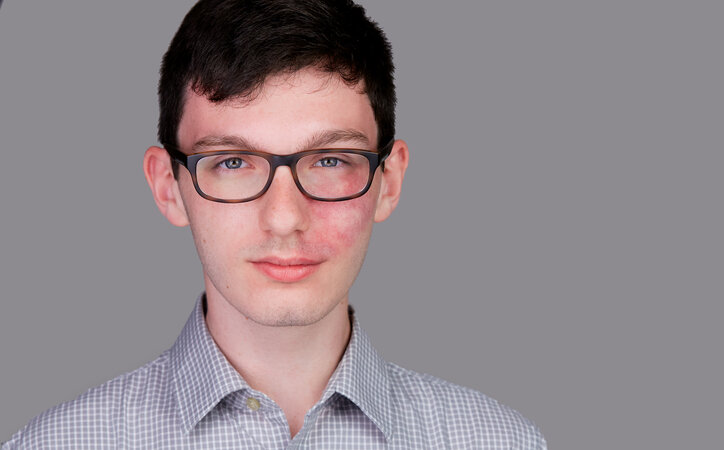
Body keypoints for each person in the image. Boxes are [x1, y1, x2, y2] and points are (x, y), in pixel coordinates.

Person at [3, 0, 545, 448]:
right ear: (169, 186)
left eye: (330, 160)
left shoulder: (502, 442)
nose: (285, 219)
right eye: (232, 162)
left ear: (390, 180)